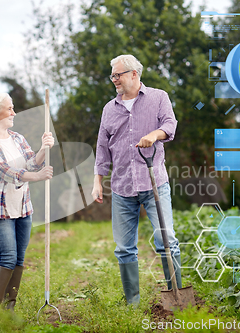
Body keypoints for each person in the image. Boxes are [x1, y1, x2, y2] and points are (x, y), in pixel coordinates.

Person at [91, 55, 181, 305]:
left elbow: (170, 125)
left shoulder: (158, 97)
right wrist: (98, 181)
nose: (114, 80)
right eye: (112, 76)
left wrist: (154, 134)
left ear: (134, 74)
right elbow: (102, 147)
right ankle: (133, 303)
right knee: (123, 248)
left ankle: (176, 295)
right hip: (121, 187)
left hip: (154, 183)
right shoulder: (109, 109)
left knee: (166, 240)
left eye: (117, 75)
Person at [0, 92, 54, 319]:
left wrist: (43, 149)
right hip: (0, 209)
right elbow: (5, 172)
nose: (13, 113)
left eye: (13, 108)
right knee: (7, 258)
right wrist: (37, 177)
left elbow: (31, 163)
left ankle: (8, 312)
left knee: (18, 259)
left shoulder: (17, 138)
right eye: (9, 109)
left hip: (22, 207)